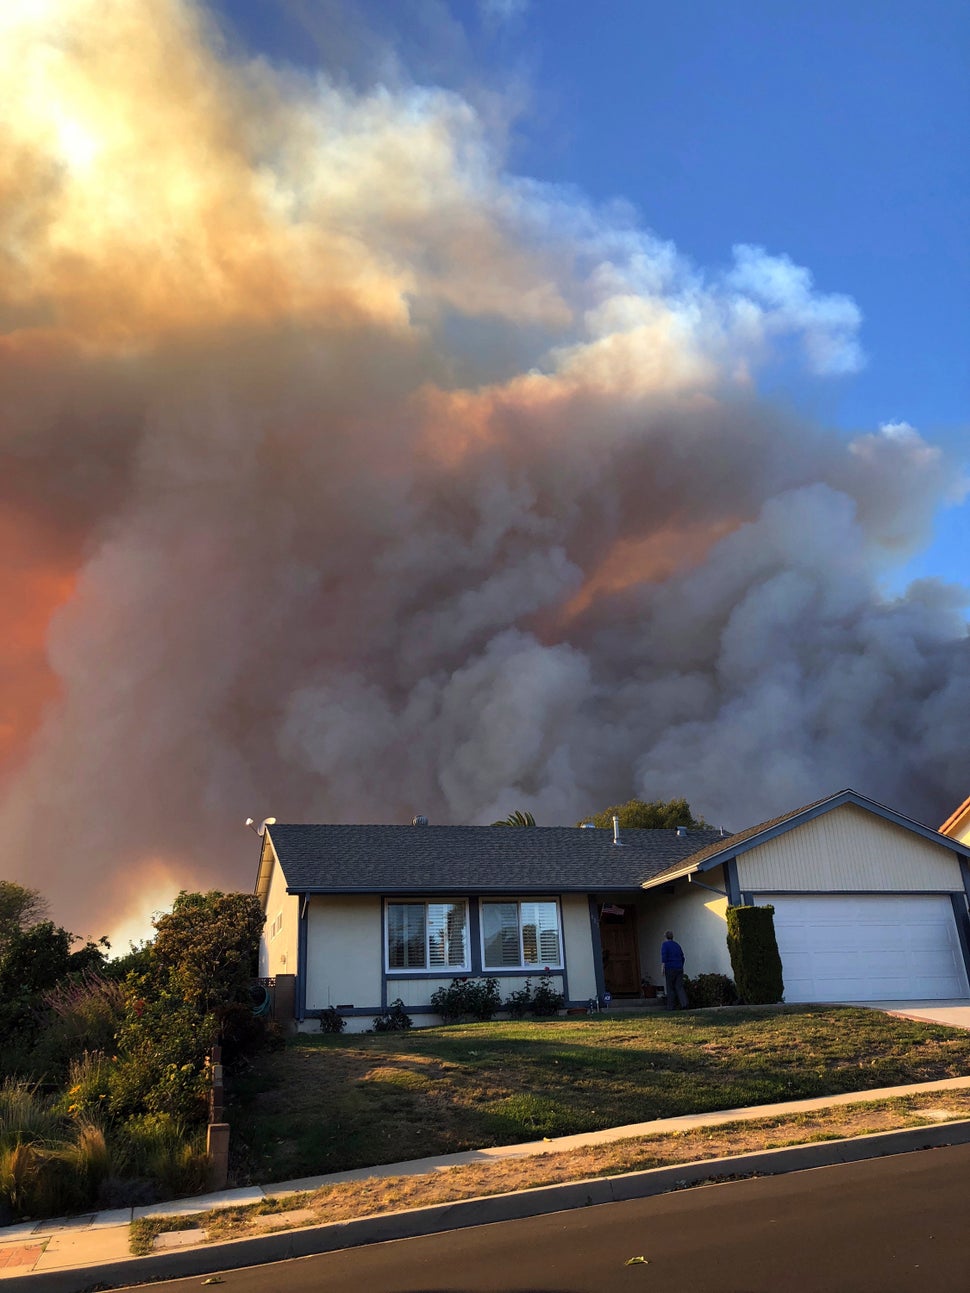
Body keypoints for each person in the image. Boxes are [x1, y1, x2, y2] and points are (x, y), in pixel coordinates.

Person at [661, 929, 688, 1010]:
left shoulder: (665, 945)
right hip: (679, 968)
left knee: (670, 988)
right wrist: (680, 965)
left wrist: (662, 968)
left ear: (665, 937)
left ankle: (671, 1006)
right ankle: (684, 1003)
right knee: (679, 987)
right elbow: (683, 957)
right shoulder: (677, 945)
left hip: (670, 968)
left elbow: (664, 957)